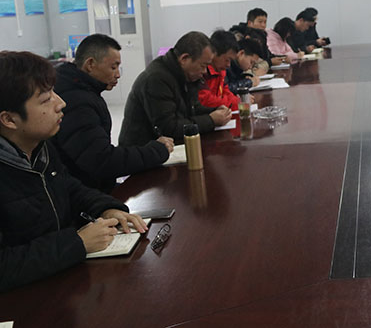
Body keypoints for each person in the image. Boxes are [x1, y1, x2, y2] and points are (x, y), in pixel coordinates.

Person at [0, 51, 147, 292]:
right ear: (9, 119)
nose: (61, 103)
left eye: (54, 92)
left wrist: (106, 208)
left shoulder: (39, 147)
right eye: (46, 100)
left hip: (63, 283)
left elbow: (69, 187)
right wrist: (76, 243)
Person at [51, 34, 173, 193]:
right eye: (113, 67)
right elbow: (101, 160)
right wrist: (157, 151)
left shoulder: (81, 91)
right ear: (90, 64)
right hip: (86, 194)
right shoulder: (76, 102)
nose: (118, 74)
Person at [119, 31, 232, 147]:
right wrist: (211, 120)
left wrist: (215, 111)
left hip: (169, 146)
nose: (204, 72)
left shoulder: (187, 75)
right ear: (184, 59)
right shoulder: (156, 79)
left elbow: (193, 108)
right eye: (203, 66)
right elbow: (168, 128)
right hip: (141, 149)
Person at [199, 30, 239, 110]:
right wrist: (234, 103)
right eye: (227, 60)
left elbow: (226, 91)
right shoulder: (202, 71)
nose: (228, 65)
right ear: (214, 53)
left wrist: (238, 101)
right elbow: (206, 100)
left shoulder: (221, 71)